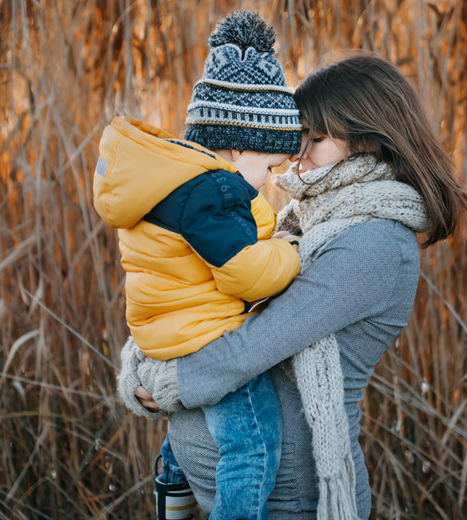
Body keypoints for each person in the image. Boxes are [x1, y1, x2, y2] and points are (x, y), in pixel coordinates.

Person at [120, 54, 467, 519]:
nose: (297, 154)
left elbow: (256, 343)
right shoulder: (305, 218)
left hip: (291, 503)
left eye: (316, 138)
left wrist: (171, 382)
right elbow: (198, 298)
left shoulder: (378, 243)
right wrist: (140, 359)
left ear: (367, 140)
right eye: (298, 135)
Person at [93, 11, 304, 520]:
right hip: (203, 339)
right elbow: (244, 273)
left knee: (189, 431)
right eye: (267, 167)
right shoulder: (216, 192)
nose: (268, 181)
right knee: (251, 443)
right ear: (235, 147)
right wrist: (291, 250)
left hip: (161, 334)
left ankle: (173, 487)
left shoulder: (169, 184)